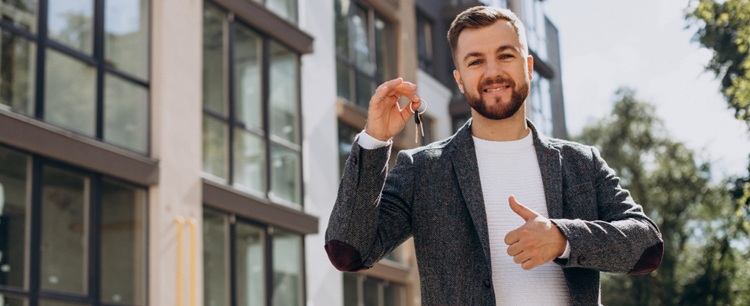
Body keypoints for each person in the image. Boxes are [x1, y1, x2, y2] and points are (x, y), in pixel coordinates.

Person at [325, 5, 663, 305]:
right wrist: (375, 140)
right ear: (459, 80)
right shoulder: (423, 170)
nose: (492, 72)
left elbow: (647, 247)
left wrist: (564, 239)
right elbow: (349, 252)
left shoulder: (581, 163)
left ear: (528, 65)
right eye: (475, 61)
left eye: (505, 55)